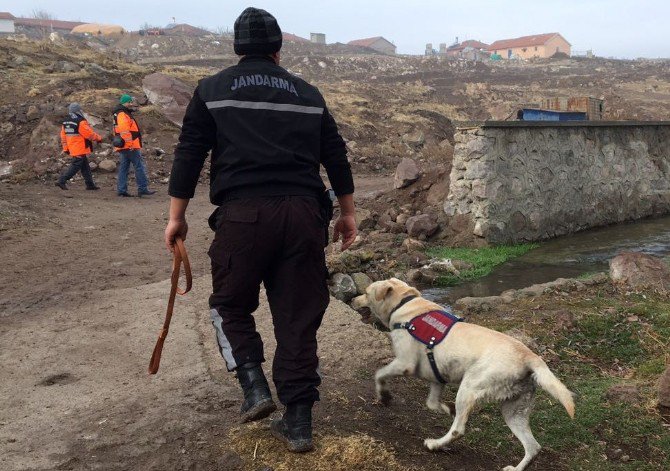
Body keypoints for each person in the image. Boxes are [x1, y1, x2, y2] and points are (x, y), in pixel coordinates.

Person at [164, 7, 357, 453]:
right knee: (298, 317)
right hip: (305, 215)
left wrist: (176, 217)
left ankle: (253, 385)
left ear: (237, 47)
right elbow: (336, 155)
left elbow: (189, 154)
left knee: (228, 306)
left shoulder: (212, 89)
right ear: (278, 48)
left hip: (243, 216)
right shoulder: (308, 93)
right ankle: (300, 423)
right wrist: (347, 213)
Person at [113, 94, 156, 197]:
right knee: (139, 166)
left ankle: (122, 189)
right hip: (129, 146)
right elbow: (124, 131)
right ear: (125, 102)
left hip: (124, 145)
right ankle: (142, 188)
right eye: (130, 102)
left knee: (124, 167)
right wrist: (130, 144)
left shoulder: (120, 113)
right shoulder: (123, 114)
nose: (131, 104)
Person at [56, 103, 102, 190]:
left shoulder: (65, 121)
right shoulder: (80, 121)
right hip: (80, 148)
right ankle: (62, 180)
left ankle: (90, 184)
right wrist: (99, 138)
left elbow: (63, 136)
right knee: (75, 166)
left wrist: (66, 148)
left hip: (73, 148)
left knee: (85, 167)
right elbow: (89, 134)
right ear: (78, 111)